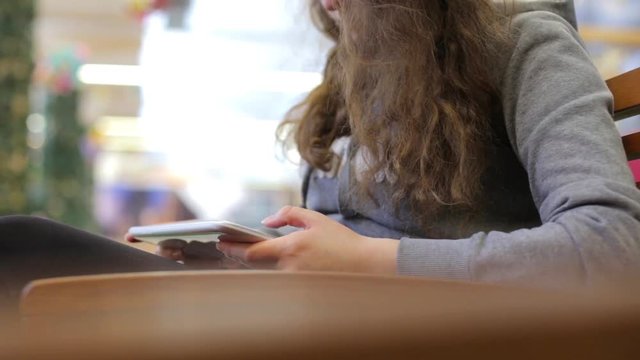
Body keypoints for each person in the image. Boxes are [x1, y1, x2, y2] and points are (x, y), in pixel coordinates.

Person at [1, 0, 640, 306]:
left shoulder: (528, 46)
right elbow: (342, 253)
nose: (327, 6)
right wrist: (251, 261)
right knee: (25, 248)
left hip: (398, 325)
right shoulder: (363, 78)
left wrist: (372, 262)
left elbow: (614, 248)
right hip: (307, 312)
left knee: (23, 258)